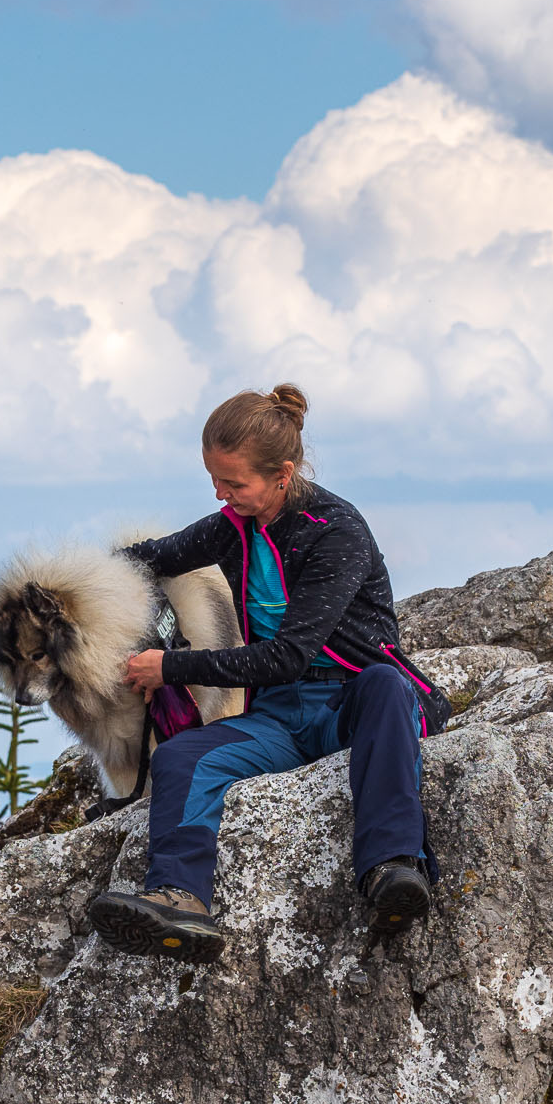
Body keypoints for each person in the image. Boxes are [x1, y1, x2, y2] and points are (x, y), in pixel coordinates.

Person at [87, 384, 447, 963]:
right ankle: (180, 898)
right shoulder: (233, 524)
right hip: (280, 717)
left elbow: (287, 656)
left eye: (234, 483)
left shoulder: (336, 530)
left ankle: (393, 869)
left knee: (385, 685)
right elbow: (148, 557)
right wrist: (63, 586)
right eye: (213, 480)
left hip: (354, 705)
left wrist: (170, 665)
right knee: (182, 758)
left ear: (283, 474)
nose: (221, 494)